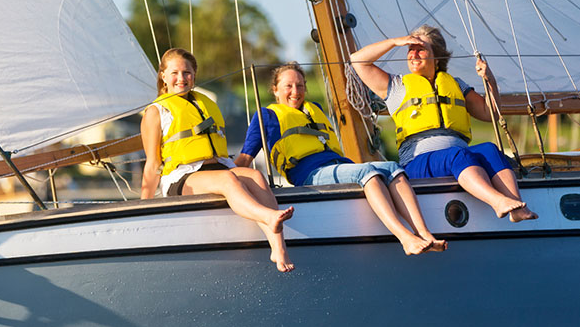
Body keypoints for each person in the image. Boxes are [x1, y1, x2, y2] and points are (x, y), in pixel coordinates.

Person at [235, 62, 446, 255]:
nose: (295, 92)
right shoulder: (266, 116)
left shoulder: (314, 110)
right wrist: (229, 182)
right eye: (288, 86)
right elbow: (245, 158)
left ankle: (425, 233)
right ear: (275, 90)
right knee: (367, 172)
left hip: (339, 165)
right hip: (309, 173)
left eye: (300, 86)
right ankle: (405, 238)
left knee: (392, 167)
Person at [351, 25, 538, 222]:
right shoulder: (396, 86)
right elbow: (357, 61)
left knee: (489, 150)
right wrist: (395, 42)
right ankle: (498, 201)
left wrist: (489, 80)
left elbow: (487, 113)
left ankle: (517, 207)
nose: (413, 54)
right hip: (417, 162)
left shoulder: (456, 84)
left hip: (458, 154)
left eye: (420, 49)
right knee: (458, 155)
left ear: (437, 57)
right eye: (410, 49)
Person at [140, 48, 295, 272]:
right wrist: (144, 207)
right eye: (175, 73)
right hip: (182, 177)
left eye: (187, 72)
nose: (181, 78)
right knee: (227, 180)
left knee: (255, 175)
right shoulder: (156, 112)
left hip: (218, 166)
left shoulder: (204, 103)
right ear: (163, 75)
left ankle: (279, 249)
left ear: (194, 75)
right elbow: (152, 164)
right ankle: (269, 216)